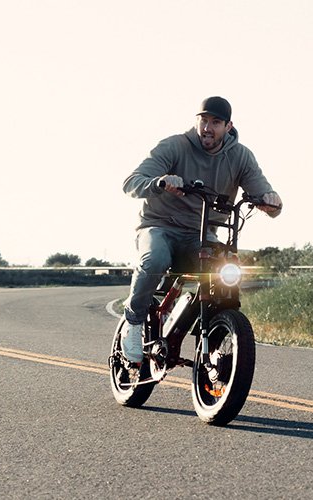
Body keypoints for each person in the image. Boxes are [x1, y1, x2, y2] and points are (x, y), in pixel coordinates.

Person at [120, 96, 282, 363]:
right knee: (156, 259)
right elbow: (132, 182)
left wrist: (271, 201)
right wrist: (160, 182)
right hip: (159, 227)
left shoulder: (240, 156)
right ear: (196, 120)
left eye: (215, 122)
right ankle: (134, 323)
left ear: (228, 126)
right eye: (203, 120)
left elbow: (266, 195)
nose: (208, 128)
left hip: (201, 234)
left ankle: (216, 331)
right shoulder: (174, 146)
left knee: (225, 269)